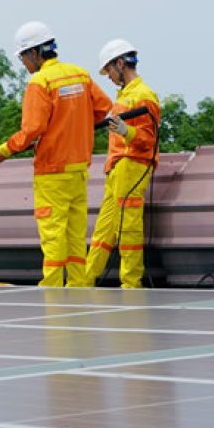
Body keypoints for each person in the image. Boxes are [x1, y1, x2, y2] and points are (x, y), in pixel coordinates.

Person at [0, 21, 111, 287]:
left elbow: (33, 128)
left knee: (53, 235)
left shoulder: (40, 82)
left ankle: (53, 293)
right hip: (79, 170)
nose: (24, 64)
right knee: (76, 236)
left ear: (34, 53)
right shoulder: (80, 75)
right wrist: (72, 124)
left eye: (23, 57)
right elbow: (103, 110)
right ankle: (79, 289)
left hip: (52, 172)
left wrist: (5, 150)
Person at [72, 39, 161, 289]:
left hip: (133, 166)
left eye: (109, 71)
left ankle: (131, 285)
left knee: (128, 227)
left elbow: (148, 140)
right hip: (118, 168)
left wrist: (126, 131)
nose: (109, 77)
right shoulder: (125, 96)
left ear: (120, 63)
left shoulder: (143, 95)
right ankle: (85, 280)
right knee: (104, 230)